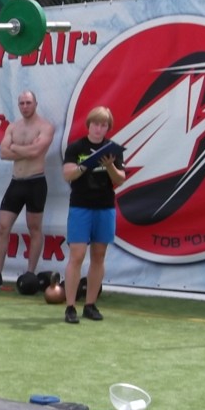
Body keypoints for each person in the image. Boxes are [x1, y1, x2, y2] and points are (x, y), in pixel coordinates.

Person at [0, 91, 56, 288]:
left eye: (28, 103)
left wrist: (15, 148)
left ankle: (30, 273)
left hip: (36, 183)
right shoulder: (13, 127)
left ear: (36, 103)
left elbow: (36, 152)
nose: (25, 106)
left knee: (34, 228)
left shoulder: (45, 127)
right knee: (2, 227)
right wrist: (25, 150)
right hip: (16, 182)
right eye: (21, 103)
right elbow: (3, 153)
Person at [61, 106, 126, 324]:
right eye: (96, 124)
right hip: (80, 206)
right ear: (89, 125)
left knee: (99, 256)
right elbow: (67, 174)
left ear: (108, 127)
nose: (99, 129)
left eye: (103, 125)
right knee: (77, 255)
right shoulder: (76, 147)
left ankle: (90, 304)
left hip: (105, 207)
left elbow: (120, 179)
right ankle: (70, 306)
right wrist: (85, 165)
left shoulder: (112, 149)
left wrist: (109, 166)